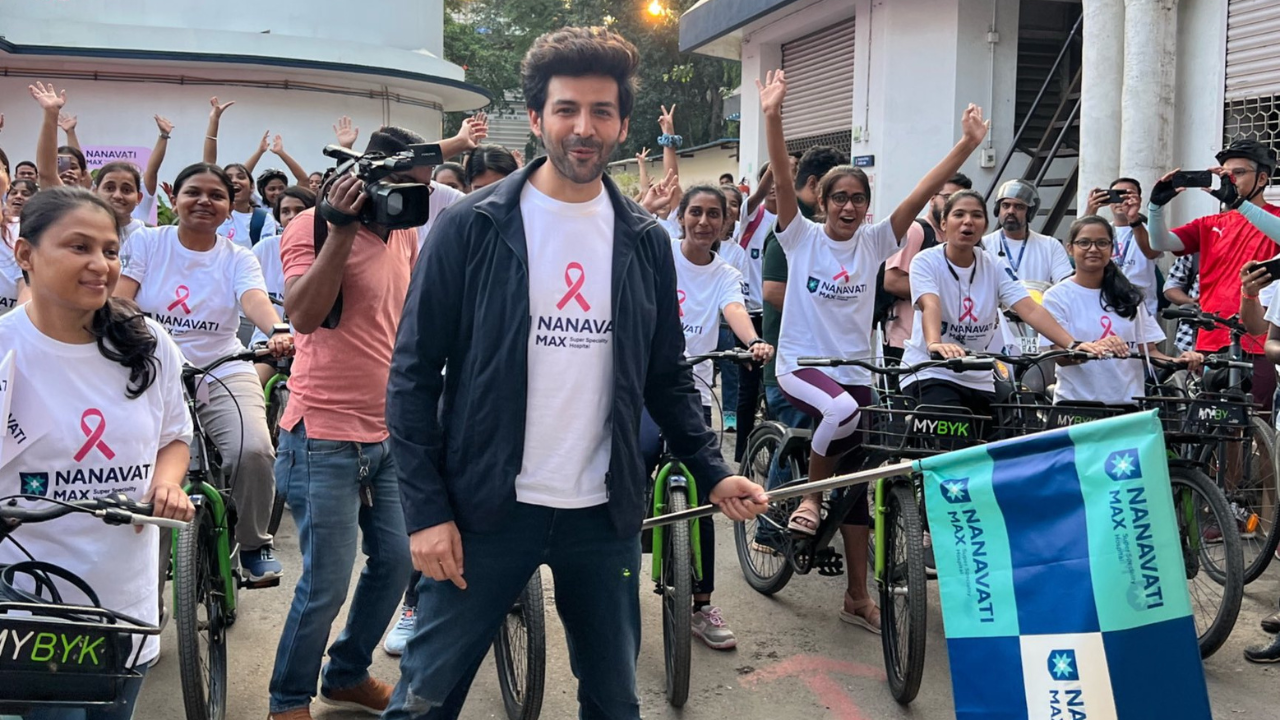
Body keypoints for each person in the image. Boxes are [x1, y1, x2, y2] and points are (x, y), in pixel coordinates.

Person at [384, 27, 768, 719]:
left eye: (600, 112)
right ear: (537, 118)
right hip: (484, 511)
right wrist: (428, 512)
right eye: (566, 110)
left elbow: (665, 374)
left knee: (615, 704)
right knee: (423, 701)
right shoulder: (472, 226)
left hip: (603, 514)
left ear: (622, 123)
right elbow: (412, 374)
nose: (582, 128)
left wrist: (714, 470)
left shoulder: (644, 240)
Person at [762, 65, 989, 631]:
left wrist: (966, 144)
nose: (848, 207)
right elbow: (785, 185)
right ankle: (811, 498)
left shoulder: (876, 239)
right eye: (838, 198)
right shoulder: (800, 237)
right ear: (822, 204)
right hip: (801, 367)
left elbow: (920, 192)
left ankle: (857, 596)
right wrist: (773, 116)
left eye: (857, 198)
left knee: (862, 482)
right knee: (838, 414)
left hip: (858, 369)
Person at [0, 187, 195, 719]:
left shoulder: (148, 342)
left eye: (109, 250)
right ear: (25, 255)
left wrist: (167, 484)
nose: (99, 265)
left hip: (123, 599)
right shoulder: (6, 350)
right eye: (79, 247)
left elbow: (174, 436)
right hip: (31, 602)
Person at [265, 126, 428, 719]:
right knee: (327, 582)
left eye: (421, 189)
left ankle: (346, 673)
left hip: (386, 432)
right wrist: (338, 227)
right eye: (405, 188)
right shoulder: (307, 227)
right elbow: (305, 315)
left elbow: (403, 321)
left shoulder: (404, 234)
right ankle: (287, 699)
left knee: (396, 562)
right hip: (322, 433)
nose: (413, 200)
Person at [114, 162, 292, 585]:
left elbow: (252, 299)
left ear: (230, 209)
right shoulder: (148, 243)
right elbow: (122, 299)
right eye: (194, 192)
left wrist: (277, 329)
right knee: (143, 473)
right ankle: (143, 591)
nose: (204, 202)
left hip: (222, 368)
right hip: (152, 368)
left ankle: (252, 543)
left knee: (253, 450)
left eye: (217, 196)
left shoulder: (238, 257)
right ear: (174, 197)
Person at [662, 184, 773, 649]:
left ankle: (702, 604)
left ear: (727, 223)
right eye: (696, 213)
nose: (704, 221)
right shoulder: (660, 253)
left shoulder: (727, 272)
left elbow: (734, 309)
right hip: (644, 384)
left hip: (694, 388)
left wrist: (751, 342)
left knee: (705, 490)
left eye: (714, 214)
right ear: (681, 217)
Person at [1147, 139, 1280, 413]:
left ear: (1263, 177)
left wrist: (1238, 203)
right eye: (1226, 173)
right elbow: (1160, 242)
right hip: (1212, 339)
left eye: (1239, 173)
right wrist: (1156, 206)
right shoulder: (1209, 223)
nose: (1231, 179)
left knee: (1258, 427)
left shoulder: (1274, 217)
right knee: (1216, 430)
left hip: (1260, 341)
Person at [1039, 216, 1200, 406]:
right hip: (1078, 405)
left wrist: (1179, 361)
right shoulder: (1056, 296)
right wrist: (1096, 348)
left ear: (1111, 249)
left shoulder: (1129, 295)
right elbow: (1060, 357)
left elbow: (1149, 352)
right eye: (1084, 243)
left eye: (1101, 243)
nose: (1093, 249)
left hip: (1129, 406)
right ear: (1070, 248)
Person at [761, 148, 842, 435]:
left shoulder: (828, 228)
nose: (842, 204)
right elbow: (772, 290)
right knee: (794, 459)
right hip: (790, 367)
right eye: (837, 192)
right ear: (813, 184)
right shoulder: (794, 225)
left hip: (827, 367)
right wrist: (828, 314)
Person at [881, 173, 973, 368]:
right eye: (948, 198)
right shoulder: (916, 230)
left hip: (945, 341)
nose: (953, 206)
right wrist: (941, 292)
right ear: (932, 198)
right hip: (905, 339)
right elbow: (892, 280)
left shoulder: (957, 236)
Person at [252, 185, 315, 386]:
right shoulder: (265, 248)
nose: (292, 216)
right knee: (252, 386)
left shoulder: (326, 248)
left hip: (312, 348)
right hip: (267, 343)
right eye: (285, 211)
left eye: (300, 210)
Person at [1083, 178, 1162, 317]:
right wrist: (1089, 212)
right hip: (1103, 304)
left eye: (1126, 194)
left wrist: (1133, 218)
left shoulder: (1148, 230)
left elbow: (1151, 252)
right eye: (1116, 195)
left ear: (1138, 199)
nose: (1121, 200)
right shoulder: (1101, 230)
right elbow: (1076, 249)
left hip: (1141, 309)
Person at [983, 179, 1072, 285]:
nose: (1011, 211)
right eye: (1005, 205)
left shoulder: (1050, 246)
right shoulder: (983, 245)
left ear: (1029, 212)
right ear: (998, 209)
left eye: (1019, 207)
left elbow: (1065, 285)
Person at [27, 82, 90, 191]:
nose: (68, 171)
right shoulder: (53, 195)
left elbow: (79, 160)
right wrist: (51, 112)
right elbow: (47, 173)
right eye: (60, 167)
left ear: (83, 174)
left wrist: (70, 132)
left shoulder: (90, 200)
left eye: (74, 167)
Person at [91, 161, 147, 242]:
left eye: (126, 190)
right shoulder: (83, 230)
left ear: (139, 198)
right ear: (95, 193)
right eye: (110, 188)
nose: (117, 196)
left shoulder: (149, 235)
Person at [1164, 252, 1201, 353]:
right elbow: (1171, 287)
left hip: (1238, 339)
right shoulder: (1195, 251)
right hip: (1190, 339)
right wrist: (1191, 302)